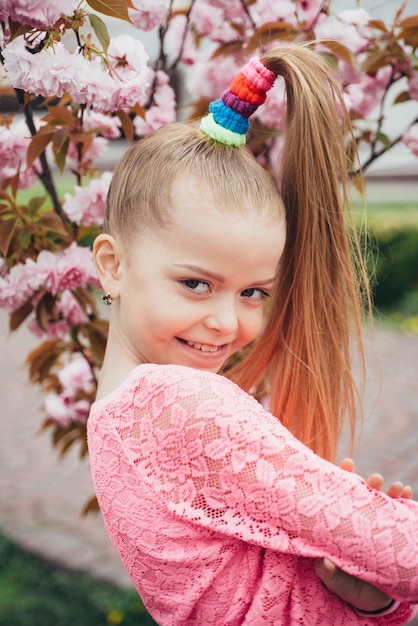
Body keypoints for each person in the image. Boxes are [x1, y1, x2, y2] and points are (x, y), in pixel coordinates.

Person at [88, 44, 418, 624]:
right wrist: (373, 536)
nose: (226, 322)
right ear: (113, 265)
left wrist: (376, 598)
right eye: (195, 283)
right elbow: (396, 547)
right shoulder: (176, 402)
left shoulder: (113, 415)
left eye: (253, 293)